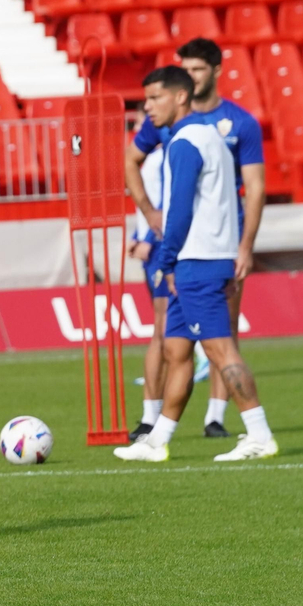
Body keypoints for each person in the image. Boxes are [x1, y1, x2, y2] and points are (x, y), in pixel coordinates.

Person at [114, 67, 278, 464]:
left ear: (181, 97)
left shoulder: (185, 142)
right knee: (177, 350)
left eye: (155, 97)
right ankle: (158, 439)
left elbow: (180, 210)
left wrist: (165, 260)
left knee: (221, 351)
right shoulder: (212, 137)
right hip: (209, 255)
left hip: (196, 260)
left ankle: (259, 434)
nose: (147, 107)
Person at [125, 147, 172, 441]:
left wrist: (143, 238)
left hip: (170, 246)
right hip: (156, 249)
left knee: (167, 332)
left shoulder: (174, 152)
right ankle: (151, 417)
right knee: (162, 330)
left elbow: (164, 204)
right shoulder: (152, 160)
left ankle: (216, 417)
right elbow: (147, 208)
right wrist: (138, 236)